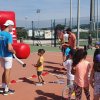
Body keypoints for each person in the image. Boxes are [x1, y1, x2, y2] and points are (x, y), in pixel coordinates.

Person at [0, 20, 16, 95]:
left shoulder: (0, 33)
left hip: (1, 56)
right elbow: (9, 48)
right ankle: (6, 89)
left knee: (4, 71)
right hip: (7, 56)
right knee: (7, 72)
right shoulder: (8, 35)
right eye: (12, 27)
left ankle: (3, 87)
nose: (12, 28)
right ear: (9, 26)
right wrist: (13, 51)